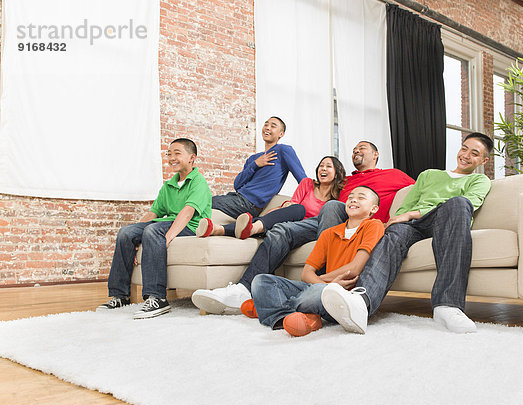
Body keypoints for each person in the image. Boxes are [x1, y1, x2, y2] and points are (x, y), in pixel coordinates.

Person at [191, 141, 414, 315]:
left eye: (362, 148)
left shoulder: (393, 176)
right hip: (326, 222)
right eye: (354, 149)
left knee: (332, 206)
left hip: (358, 226)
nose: (356, 151)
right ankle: (243, 290)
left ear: (376, 154)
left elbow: (417, 192)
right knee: (283, 230)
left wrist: (403, 216)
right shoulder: (345, 182)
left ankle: (318, 290)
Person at [319, 132, 493, 334]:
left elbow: (471, 204)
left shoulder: (479, 180)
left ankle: (448, 306)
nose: (466, 155)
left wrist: (414, 213)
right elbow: (405, 208)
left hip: (447, 221)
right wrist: (396, 220)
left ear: (483, 160)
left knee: (459, 203)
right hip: (415, 224)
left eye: (474, 153)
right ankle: (361, 302)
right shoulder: (429, 175)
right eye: (464, 149)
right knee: (395, 233)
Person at [246, 186, 384, 337]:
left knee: (312, 293)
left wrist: (325, 284)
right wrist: (327, 284)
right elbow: (306, 273)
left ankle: (270, 306)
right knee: (260, 281)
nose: (353, 199)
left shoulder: (374, 225)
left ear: (373, 208)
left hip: (342, 295)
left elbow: (355, 269)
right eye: (350, 197)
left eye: (361, 197)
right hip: (323, 287)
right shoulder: (328, 233)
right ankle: (292, 318)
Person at [97, 138, 212, 319]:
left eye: (177, 153)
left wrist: (165, 239)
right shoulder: (169, 185)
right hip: (168, 224)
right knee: (126, 233)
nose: (171, 158)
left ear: (192, 158)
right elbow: (154, 212)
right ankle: (120, 295)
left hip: (191, 227)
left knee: (153, 231)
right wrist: (138, 234)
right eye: (169, 154)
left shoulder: (199, 182)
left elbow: (187, 213)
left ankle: (158, 298)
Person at [199, 116, 307, 235]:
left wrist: (294, 202)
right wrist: (256, 164)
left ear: (281, 133)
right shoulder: (253, 159)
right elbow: (237, 184)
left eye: (273, 126)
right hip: (237, 198)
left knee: (204, 201)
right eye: (266, 124)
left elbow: (303, 180)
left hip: (250, 204)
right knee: (203, 200)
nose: (267, 127)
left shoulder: (283, 150)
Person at [198, 155, 345, 239]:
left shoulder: (337, 199)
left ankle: (220, 229)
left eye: (328, 166)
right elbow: (293, 204)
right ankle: (218, 229)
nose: (323, 169)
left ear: (337, 172)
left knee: (262, 224)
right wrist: (280, 209)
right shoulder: (307, 183)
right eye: (321, 166)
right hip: (291, 216)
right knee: (296, 209)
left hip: (305, 228)